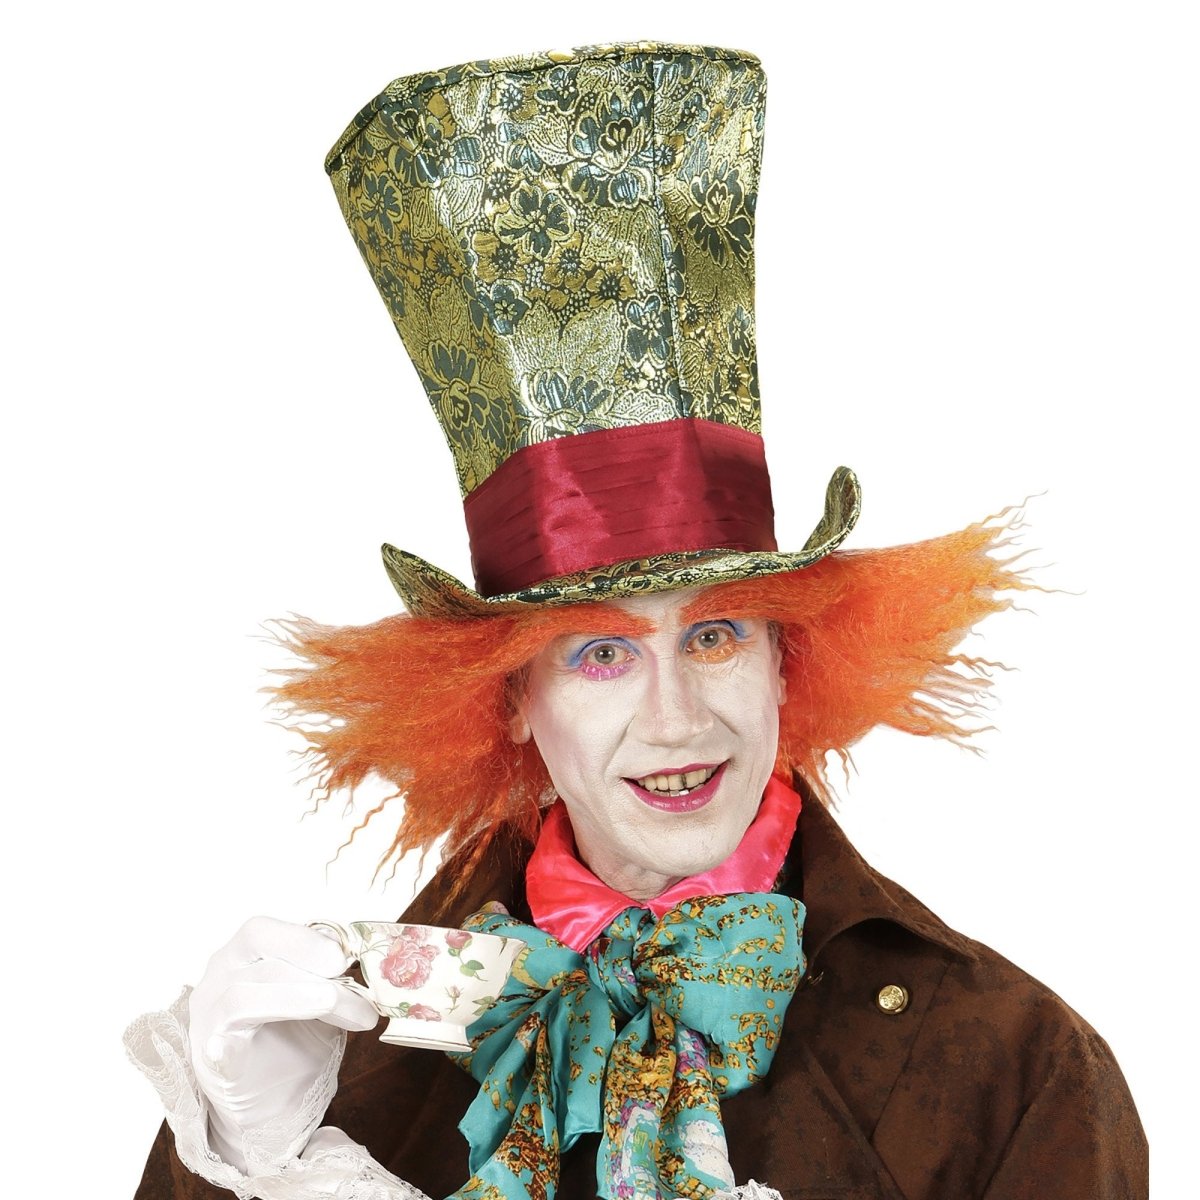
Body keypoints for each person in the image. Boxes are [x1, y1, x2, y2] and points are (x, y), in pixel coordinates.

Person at [126, 41, 1147, 1199]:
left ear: (785, 658)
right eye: (602, 652)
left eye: (716, 635)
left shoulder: (1013, 1067)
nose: (675, 719)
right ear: (513, 698)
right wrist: (242, 1161)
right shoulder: (333, 1068)